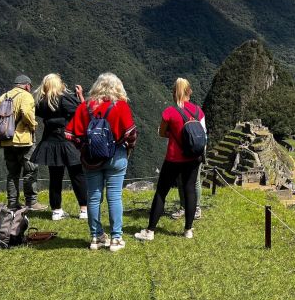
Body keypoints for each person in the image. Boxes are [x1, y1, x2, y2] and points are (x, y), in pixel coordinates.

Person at [66, 73, 137, 252]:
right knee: (114, 196)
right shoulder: (121, 106)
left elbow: (70, 135)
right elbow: (131, 133)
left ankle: (96, 238)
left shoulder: (85, 106)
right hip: (116, 156)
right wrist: (127, 146)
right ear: (118, 88)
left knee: (94, 196)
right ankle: (115, 239)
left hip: (91, 159)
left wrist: (83, 147)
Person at [135, 78, 205, 241]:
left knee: (161, 192)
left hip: (174, 158)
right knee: (190, 191)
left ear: (175, 93)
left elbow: (161, 132)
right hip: (194, 158)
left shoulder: (169, 112)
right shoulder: (198, 111)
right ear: (190, 92)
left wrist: (172, 133)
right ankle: (188, 230)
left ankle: (150, 231)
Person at [0, 74, 46, 211]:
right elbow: (25, 111)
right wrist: (33, 125)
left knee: (12, 173)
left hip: (6, 140)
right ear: (27, 85)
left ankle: (12, 203)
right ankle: (31, 202)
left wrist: (0, 125)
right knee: (30, 170)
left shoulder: (5, 96)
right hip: (23, 140)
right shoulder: (26, 96)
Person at [31, 73, 88, 221]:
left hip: (50, 141)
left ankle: (56, 210)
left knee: (55, 177)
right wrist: (79, 96)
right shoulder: (64, 98)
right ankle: (84, 209)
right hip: (67, 141)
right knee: (77, 175)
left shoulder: (41, 102)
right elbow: (81, 111)